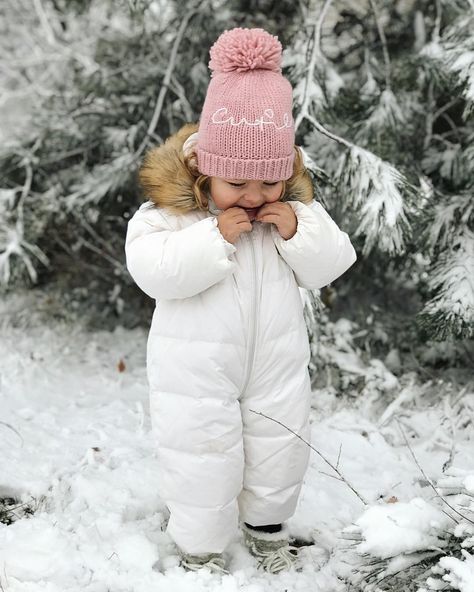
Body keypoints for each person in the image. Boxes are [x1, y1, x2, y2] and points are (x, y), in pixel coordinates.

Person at [125, 27, 357, 574]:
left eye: (270, 183)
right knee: (202, 452)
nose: (254, 198)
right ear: (205, 170)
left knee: (281, 445)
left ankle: (268, 527)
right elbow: (152, 270)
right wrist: (213, 238)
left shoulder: (292, 214)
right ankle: (201, 546)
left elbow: (333, 263)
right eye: (237, 184)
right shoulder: (170, 217)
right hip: (196, 371)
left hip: (275, 363)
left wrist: (299, 229)